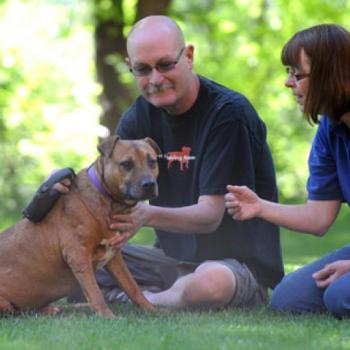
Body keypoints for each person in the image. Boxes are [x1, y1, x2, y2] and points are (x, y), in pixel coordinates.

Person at [33, 15, 284, 310]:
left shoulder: (227, 115)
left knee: (210, 283)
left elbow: (210, 215)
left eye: (165, 65)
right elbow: (105, 180)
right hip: (169, 259)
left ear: (188, 56)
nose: (155, 80)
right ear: (131, 66)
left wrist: (146, 215)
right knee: (72, 259)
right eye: (142, 69)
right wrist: (64, 187)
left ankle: (144, 299)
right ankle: (160, 294)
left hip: (234, 266)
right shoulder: (139, 116)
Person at [225, 23, 350, 318]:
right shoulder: (330, 132)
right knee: (288, 298)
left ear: (330, 74)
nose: (288, 83)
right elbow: (319, 218)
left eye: (297, 74)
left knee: (339, 297)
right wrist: (258, 207)